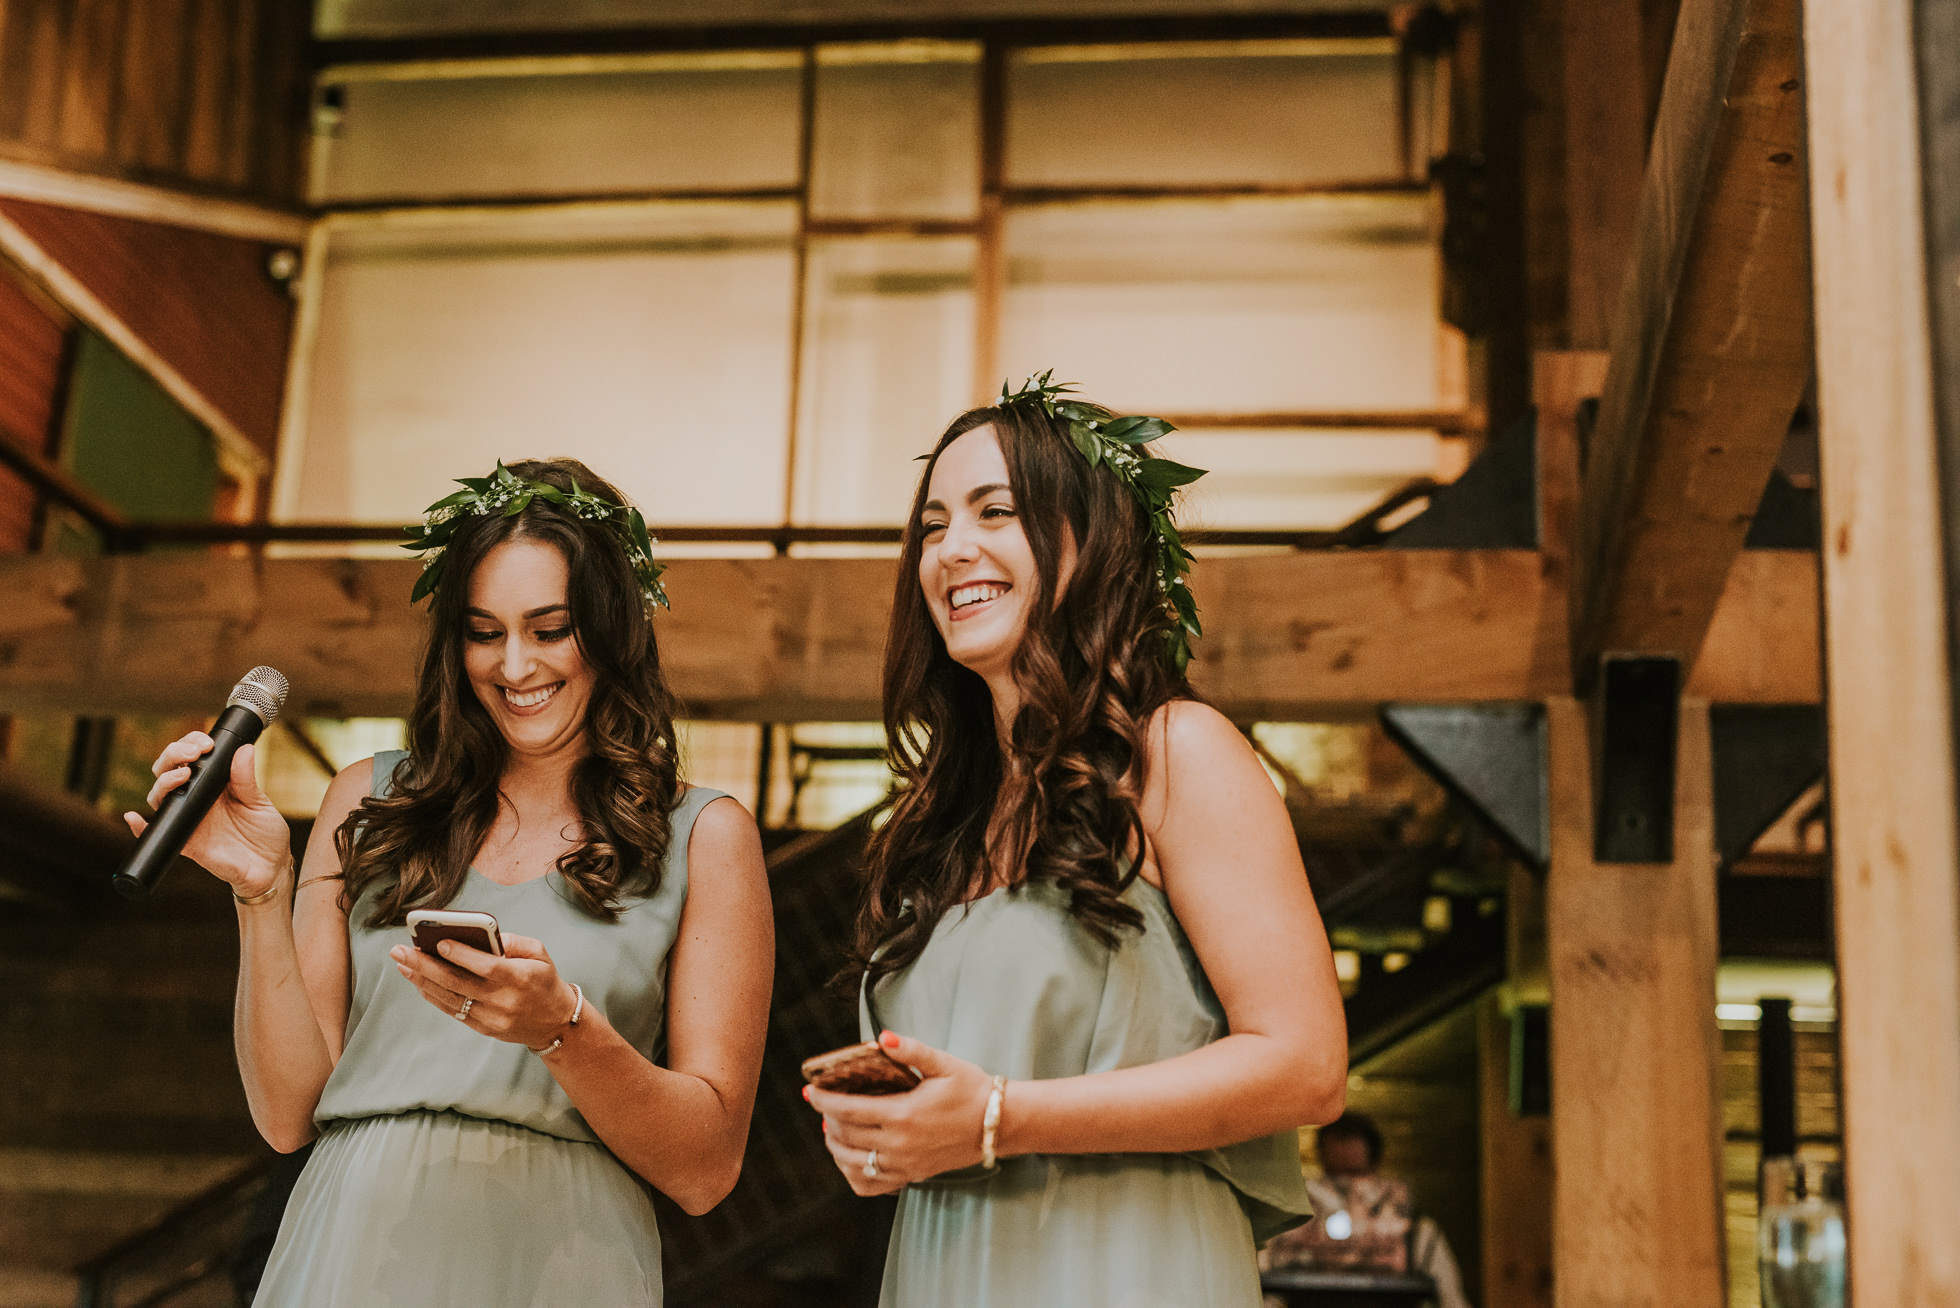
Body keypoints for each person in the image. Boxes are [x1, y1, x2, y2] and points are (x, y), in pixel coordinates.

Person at [128, 459, 773, 1307]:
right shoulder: (367, 798)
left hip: (560, 1261)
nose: (513, 665)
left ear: (613, 630)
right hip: (348, 1248)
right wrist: (261, 889)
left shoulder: (707, 835)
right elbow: (288, 1113)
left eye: (550, 629)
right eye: (483, 630)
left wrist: (561, 1029)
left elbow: (707, 1169)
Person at [803, 376, 1350, 1307]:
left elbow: (1305, 1066)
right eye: (932, 526)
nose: (951, 551)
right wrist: (885, 1136)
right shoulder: (943, 820)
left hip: (1124, 1262)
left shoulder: (1176, 753)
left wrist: (999, 1118)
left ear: (1088, 542)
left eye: (995, 511)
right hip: (944, 1266)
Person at [1263, 1112, 1472, 1308]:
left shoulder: (1418, 1233)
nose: (1345, 1186)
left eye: (1355, 1173)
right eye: (1333, 1173)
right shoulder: (1288, 1229)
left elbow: (1452, 1301)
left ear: (1375, 1168)